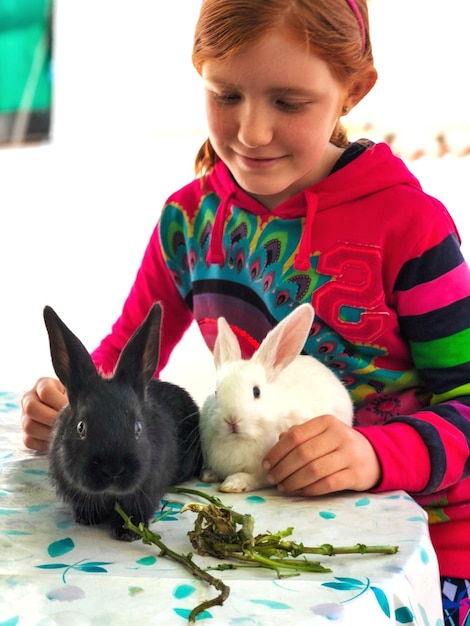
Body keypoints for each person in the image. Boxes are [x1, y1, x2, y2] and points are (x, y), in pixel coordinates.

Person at [21, 1, 470, 623]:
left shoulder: (411, 229)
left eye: (288, 102)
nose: (251, 131)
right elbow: (120, 355)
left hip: (426, 555)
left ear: (353, 91)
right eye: (225, 94)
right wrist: (73, 401)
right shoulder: (189, 221)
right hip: (254, 544)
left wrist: (374, 455)